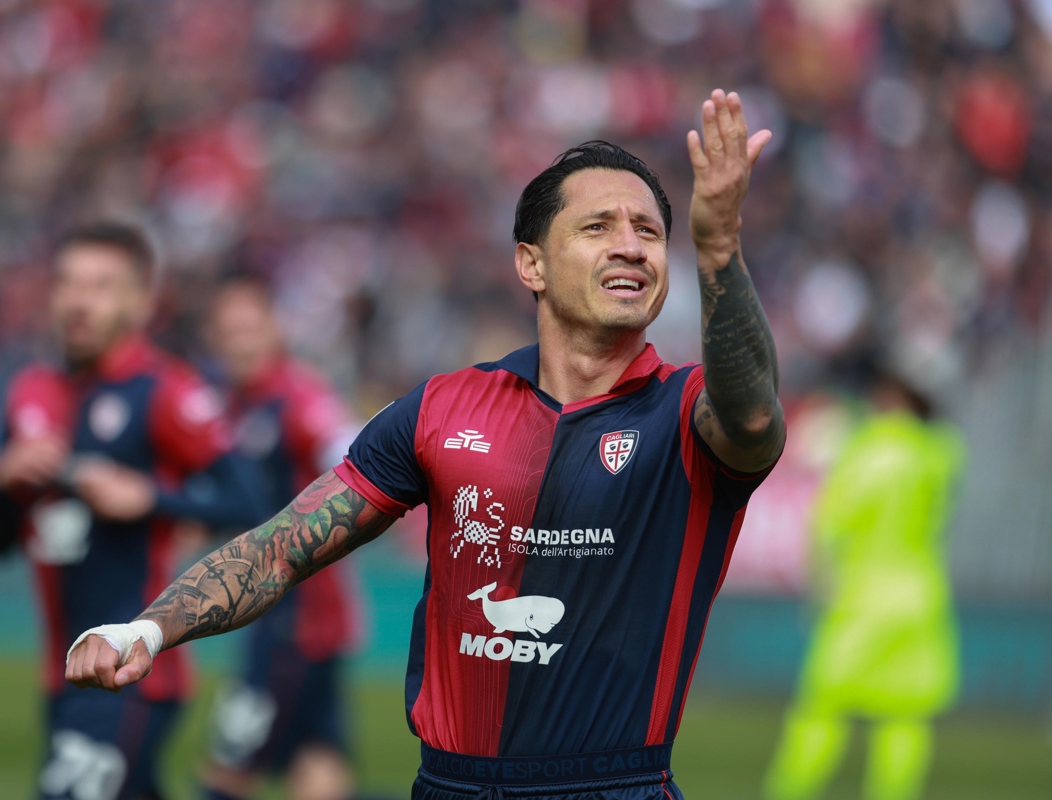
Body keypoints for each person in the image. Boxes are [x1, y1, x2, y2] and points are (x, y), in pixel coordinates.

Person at [66, 89, 786, 800]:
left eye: (650, 231)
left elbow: (752, 418)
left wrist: (719, 246)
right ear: (530, 265)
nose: (630, 244)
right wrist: (148, 631)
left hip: (612, 787)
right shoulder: (443, 407)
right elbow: (283, 545)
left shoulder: (687, 413)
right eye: (598, 226)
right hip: (449, 786)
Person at [0, 221, 270, 800]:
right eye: (69, 283)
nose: (80, 301)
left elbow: (252, 501)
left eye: (102, 286)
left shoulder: (165, 390)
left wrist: (149, 499)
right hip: (63, 673)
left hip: (130, 670)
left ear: (139, 302)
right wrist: (9, 484)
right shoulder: (29, 390)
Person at [761, 367, 964, 800]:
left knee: (821, 708)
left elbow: (830, 524)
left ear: (892, 397)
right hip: (923, 597)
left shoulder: (870, 452)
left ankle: (788, 792)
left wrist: (819, 583)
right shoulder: (941, 454)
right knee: (905, 715)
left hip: (865, 597)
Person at [197, 275, 364, 800]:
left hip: (296, 619)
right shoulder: (230, 404)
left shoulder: (295, 396)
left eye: (249, 329)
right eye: (228, 332)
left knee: (226, 771)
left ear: (272, 330)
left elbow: (349, 452)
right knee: (318, 768)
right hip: (289, 618)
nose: (239, 342)